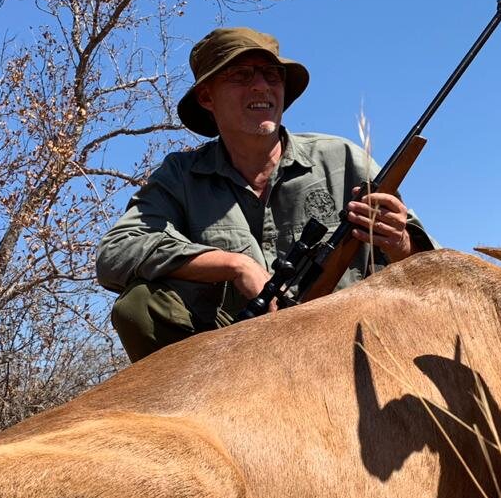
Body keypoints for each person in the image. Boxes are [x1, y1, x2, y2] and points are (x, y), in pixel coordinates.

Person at [96, 27, 434, 362]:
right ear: (206, 97)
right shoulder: (180, 176)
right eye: (240, 75)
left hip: (349, 343)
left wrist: (398, 241)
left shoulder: (344, 158)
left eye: (272, 75)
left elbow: (427, 271)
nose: (261, 86)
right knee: (140, 304)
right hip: (242, 355)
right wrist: (234, 264)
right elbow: (115, 252)